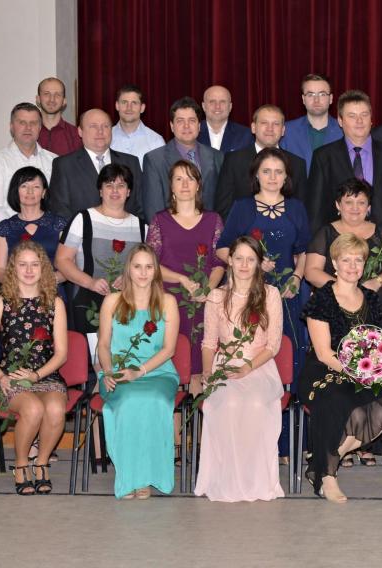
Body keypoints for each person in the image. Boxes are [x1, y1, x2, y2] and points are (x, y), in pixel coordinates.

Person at [297, 233, 382, 503]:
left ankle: (323, 463)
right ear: (335, 264)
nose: (352, 266)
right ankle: (328, 477)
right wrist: (358, 373)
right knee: (339, 400)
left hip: (361, 372)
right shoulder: (322, 298)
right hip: (324, 370)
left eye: (358, 260)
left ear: (365, 264)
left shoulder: (371, 298)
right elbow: (323, 353)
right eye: (346, 260)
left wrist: (376, 366)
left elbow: (378, 342)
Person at [191, 235, 285, 502]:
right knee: (229, 403)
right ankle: (227, 478)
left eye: (250, 259)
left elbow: (273, 345)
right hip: (224, 365)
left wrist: (246, 368)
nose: (244, 265)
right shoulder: (216, 297)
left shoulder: (270, 294)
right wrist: (208, 373)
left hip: (259, 365)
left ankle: (254, 478)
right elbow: (209, 343)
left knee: (255, 404)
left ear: (258, 263)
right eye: (239, 258)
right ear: (230, 261)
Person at [0, 240, 70, 495]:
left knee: (55, 409)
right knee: (32, 408)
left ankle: (41, 463)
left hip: (46, 375)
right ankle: (21, 465)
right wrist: (1, 377)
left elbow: (62, 354)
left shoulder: (55, 303)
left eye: (35, 265)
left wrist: (37, 375)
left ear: (43, 269)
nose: (29, 270)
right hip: (11, 377)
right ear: (13, 268)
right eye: (23, 265)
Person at [96, 244, 181, 499]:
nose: (143, 273)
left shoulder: (167, 302)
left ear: (156, 271)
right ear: (128, 270)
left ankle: (144, 476)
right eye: (137, 267)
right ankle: (130, 475)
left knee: (153, 400)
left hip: (159, 373)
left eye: (149, 267)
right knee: (130, 400)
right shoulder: (112, 301)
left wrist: (140, 371)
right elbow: (103, 344)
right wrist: (108, 372)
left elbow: (169, 349)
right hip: (117, 373)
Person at [218, 148, 311, 375]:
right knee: (251, 347)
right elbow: (222, 250)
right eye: (266, 171)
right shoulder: (242, 207)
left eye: (278, 172)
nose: (272, 177)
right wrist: (253, 263)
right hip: (248, 292)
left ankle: (289, 396)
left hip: (287, 292)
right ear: (256, 175)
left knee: (288, 350)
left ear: (286, 176)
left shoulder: (297, 207)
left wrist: (297, 278)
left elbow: (305, 251)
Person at [147, 160, 225, 376]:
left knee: (202, 366)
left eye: (190, 179)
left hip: (204, 300)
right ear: (171, 186)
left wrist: (207, 289)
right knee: (173, 366)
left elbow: (220, 263)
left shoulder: (213, 219)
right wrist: (182, 279)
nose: (184, 184)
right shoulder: (160, 220)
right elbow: (150, 264)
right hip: (169, 300)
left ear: (198, 185)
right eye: (178, 179)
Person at [56, 163, 147, 337]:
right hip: (87, 303)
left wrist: (130, 279)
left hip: (130, 304)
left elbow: (150, 267)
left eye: (121, 185)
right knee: (91, 354)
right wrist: (91, 282)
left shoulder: (142, 227)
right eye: (109, 185)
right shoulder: (83, 219)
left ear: (128, 191)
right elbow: (62, 260)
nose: (115, 191)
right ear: (100, 190)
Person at [305, 179, 382, 338]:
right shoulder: (325, 233)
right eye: (348, 202)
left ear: (368, 207)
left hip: (378, 311)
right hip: (336, 308)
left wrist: (377, 282)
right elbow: (311, 271)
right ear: (338, 205)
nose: (355, 208)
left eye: (361, 203)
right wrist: (343, 289)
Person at [305, 90, 382, 232]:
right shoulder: (323, 157)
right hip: (338, 241)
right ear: (340, 121)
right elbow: (315, 210)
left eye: (364, 115)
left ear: (371, 119)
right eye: (352, 116)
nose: (359, 121)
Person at [49, 109, 143, 222]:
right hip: (81, 232)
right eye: (93, 126)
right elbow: (59, 211)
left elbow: (141, 207)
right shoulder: (64, 165)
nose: (100, 131)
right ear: (80, 131)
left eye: (105, 126)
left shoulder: (131, 162)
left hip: (127, 231)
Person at [215, 105, 307, 219]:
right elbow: (223, 208)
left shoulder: (297, 164)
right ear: (253, 127)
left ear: (283, 130)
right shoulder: (233, 160)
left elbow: (301, 212)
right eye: (264, 123)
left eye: (276, 124)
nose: (270, 128)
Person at [141, 97, 224, 220]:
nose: (186, 126)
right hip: (170, 230)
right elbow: (153, 211)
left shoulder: (217, 156)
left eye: (192, 121)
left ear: (199, 125)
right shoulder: (154, 160)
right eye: (180, 121)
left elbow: (223, 203)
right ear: (172, 126)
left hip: (210, 229)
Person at [0, 167, 70, 292]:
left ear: (43, 192)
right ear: (15, 191)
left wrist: (45, 282)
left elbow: (69, 266)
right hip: (17, 293)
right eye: (24, 186)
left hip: (53, 292)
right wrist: (19, 283)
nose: (30, 191)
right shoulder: (5, 228)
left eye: (36, 187)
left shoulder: (59, 224)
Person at [0, 103, 57, 227]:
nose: (28, 128)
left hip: (48, 233)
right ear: (12, 126)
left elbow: (58, 204)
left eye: (33, 123)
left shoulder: (54, 161)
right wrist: (21, 232)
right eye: (22, 122)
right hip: (9, 234)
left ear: (40, 127)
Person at [281, 73, 344, 175]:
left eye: (322, 94)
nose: (316, 100)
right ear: (303, 99)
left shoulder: (344, 131)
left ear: (331, 98)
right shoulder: (287, 131)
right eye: (310, 94)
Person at [109, 84, 166, 166]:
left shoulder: (156, 141)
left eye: (134, 103)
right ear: (117, 106)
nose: (129, 108)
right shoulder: (105, 137)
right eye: (124, 102)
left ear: (142, 108)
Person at [198, 85, 254, 154]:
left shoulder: (246, 135)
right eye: (212, 102)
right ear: (203, 106)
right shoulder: (192, 132)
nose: (217, 106)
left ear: (230, 107)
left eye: (222, 102)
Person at [35, 77, 81, 156]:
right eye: (46, 94)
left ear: (64, 101)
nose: (52, 99)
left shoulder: (77, 136)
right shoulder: (28, 133)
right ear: (38, 99)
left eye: (57, 95)